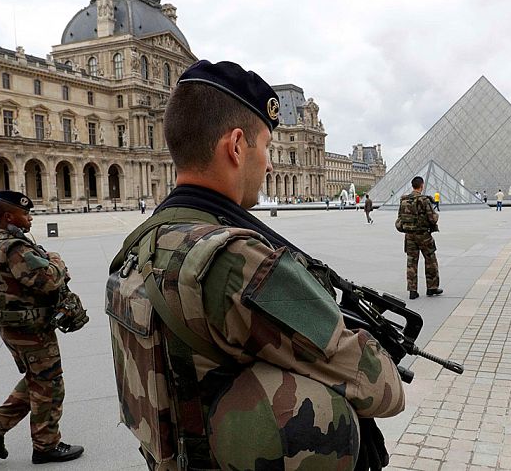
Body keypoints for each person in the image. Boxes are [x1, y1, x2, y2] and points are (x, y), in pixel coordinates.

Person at [105, 61, 404, 470]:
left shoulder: (138, 246)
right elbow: (381, 388)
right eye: (265, 146)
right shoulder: (233, 262)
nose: (269, 164)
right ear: (236, 145)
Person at [0, 191, 84, 464]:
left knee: (39, 376)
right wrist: (57, 260)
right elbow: (49, 280)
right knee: (50, 384)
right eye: (25, 214)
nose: (30, 218)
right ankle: (46, 446)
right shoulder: (16, 249)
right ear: (9, 216)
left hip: (10, 326)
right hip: (31, 328)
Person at [396, 176, 443, 300]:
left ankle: (412, 291)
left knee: (411, 262)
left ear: (412, 186)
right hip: (424, 236)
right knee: (430, 260)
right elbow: (432, 218)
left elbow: (399, 219)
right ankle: (432, 288)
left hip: (409, 236)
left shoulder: (404, 200)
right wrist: (436, 216)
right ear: (421, 185)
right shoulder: (424, 200)